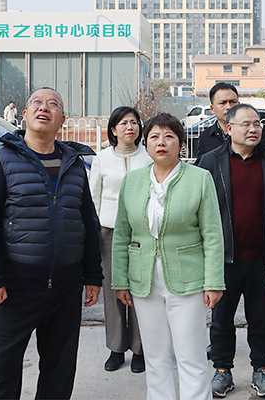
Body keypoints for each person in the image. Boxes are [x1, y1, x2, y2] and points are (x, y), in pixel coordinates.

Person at [0, 87, 102, 399]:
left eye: (53, 104)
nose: (44, 107)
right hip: (16, 286)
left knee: (60, 370)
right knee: (3, 368)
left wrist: (93, 275)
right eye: (37, 102)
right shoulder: (2, 161)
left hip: (65, 287)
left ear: (62, 120)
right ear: (25, 115)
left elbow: (87, 221)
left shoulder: (74, 164)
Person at [112, 113, 225, 400]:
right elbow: (122, 234)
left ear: (180, 143)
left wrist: (214, 281)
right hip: (143, 280)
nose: (161, 142)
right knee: (155, 357)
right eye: (154, 137)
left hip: (188, 278)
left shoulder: (199, 178)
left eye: (169, 136)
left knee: (191, 356)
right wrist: (120, 281)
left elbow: (213, 234)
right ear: (145, 143)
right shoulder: (132, 181)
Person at [199, 103, 265, 398]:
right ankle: (222, 370)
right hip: (224, 258)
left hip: (262, 259)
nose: (253, 129)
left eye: (257, 124)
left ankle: (262, 370)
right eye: (246, 124)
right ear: (229, 128)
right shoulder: (211, 161)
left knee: (261, 319)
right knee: (221, 320)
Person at [89, 106, 152, 374]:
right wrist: (92, 232)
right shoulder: (102, 159)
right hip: (109, 232)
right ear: (113, 130)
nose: (130, 127)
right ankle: (116, 348)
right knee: (113, 289)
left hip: (141, 232)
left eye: (134, 122)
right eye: (124, 123)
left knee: (139, 290)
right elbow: (93, 197)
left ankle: (139, 349)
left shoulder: (148, 157)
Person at [194, 82, 265, 167]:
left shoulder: (256, 132)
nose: (228, 107)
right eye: (222, 103)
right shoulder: (206, 136)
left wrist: (257, 160)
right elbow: (201, 167)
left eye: (233, 102)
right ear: (212, 109)